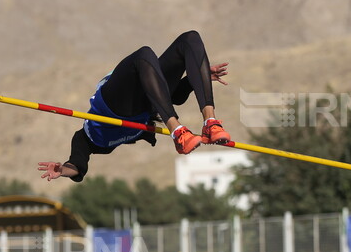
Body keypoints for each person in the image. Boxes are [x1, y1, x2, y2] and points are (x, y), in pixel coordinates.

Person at [37, 30, 230, 183]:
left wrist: (198, 76)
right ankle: (177, 132)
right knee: (144, 54)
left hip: (142, 101)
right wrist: (63, 170)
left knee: (190, 38)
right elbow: (77, 164)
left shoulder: (150, 105)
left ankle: (210, 122)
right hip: (111, 104)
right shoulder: (86, 138)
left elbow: (174, 96)